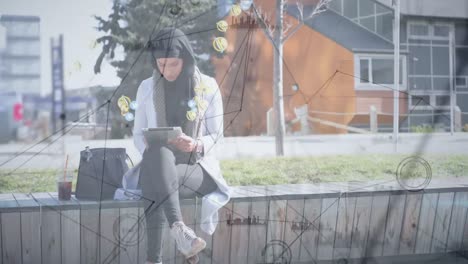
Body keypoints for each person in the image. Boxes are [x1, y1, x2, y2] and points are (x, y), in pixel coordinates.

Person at [132, 27, 231, 264]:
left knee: (153, 179)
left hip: (197, 168)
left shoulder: (206, 86)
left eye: (173, 64)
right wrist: (148, 143)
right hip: (162, 162)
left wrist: (196, 144)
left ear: (185, 59)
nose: (167, 70)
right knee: (157, 153)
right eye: (161, 64)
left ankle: (153, 259)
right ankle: (181, 233)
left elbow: (218, 135)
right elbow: (137, 134)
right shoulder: (147, 88)